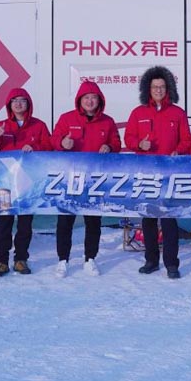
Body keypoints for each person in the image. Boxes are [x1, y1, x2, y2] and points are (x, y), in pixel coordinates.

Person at [125, 65, 191, 279]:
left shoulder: (177, 113)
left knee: (170, 220)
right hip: (146, 173)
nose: (159, 90)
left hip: (171, 174)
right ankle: (151, 260)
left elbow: (187, 141)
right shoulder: (138, 113)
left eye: (162, 86)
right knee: (149, 220)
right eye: (155, 87)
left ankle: (172, 263)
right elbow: (128, 139)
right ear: (148, 89)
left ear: (168, 88)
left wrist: (178, 150)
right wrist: (139, 145)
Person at [50, 81, 121, 278]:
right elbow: (53, 140)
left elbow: (117, 142)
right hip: (70, 178)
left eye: (94, 97)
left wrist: (110, 147)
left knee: (93, 221)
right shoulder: (67, 119)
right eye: (86, 98)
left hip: (95, 180)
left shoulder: (107, 122)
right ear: (80, 100)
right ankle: (62, 260)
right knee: (65, 222)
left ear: (99, 100)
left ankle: (90, 258)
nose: (90, 101)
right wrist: (62, 143)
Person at [0, 87, 52, 277]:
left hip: (28, 183)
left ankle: (21, 259)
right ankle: (1, 261)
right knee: (4, 222)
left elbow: (49, 145)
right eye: (15, 101)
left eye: (22, 100)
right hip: (4, 182)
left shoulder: (38, 125)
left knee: (24, 224)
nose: (19, 104)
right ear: (9, 105)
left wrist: (35, 146)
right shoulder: (1, 124)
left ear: (28, 104)